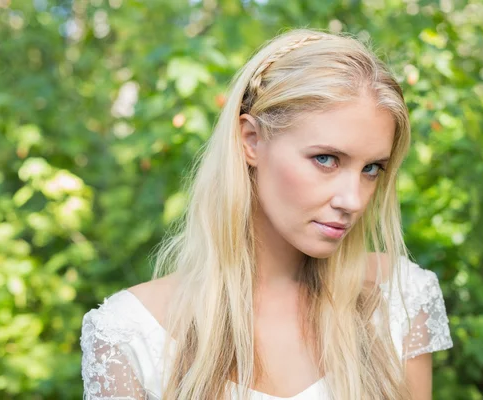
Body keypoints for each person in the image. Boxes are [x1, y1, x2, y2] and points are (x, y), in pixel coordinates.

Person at [80, 28, 453, 400]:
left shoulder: (400, 298)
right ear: (251, 141)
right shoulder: (129, 332)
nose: (353, 200)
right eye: (326, 159)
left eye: (371, 169)